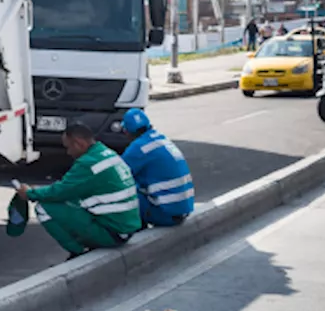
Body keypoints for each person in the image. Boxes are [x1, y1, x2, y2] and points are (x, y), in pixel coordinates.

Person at [15, 123, 141, 259]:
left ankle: (78, 252)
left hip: (111, 234)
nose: (68, 152)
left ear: (79, 143)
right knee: (69, 199)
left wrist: (30, 194)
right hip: (125, 229)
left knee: (44, 207)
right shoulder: (106, 153)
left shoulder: (87, 163)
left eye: (68, 147)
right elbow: (70, 188)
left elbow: (60, 191)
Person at [120, 108, 194, 228]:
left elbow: (118, 173)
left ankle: (135, 228)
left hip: (166, 214)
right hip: (183, 210)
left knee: (124, 188)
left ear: (127, 131)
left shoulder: (138, 148)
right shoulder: (161, 138)